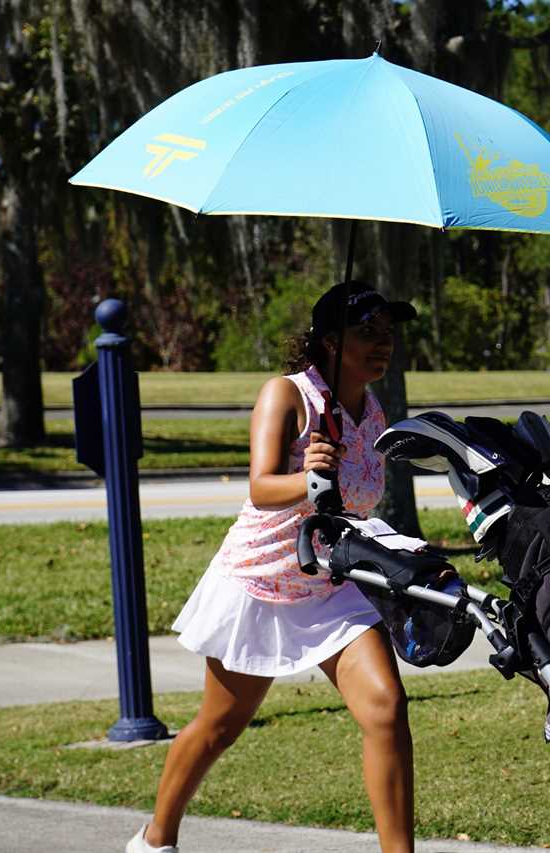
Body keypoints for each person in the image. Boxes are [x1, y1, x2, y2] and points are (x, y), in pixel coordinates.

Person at [127, 281, 419, 853]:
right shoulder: (286, 395)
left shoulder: (370, 407)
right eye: (368, 333)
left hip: (330, 583)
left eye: (388, 332)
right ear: (329, 342)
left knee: (386, 706)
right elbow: (262, 487)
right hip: (260, 582)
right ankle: (156, 839)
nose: (383, 344)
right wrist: (309, 477)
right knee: (218, 727)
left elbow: (355, 501)